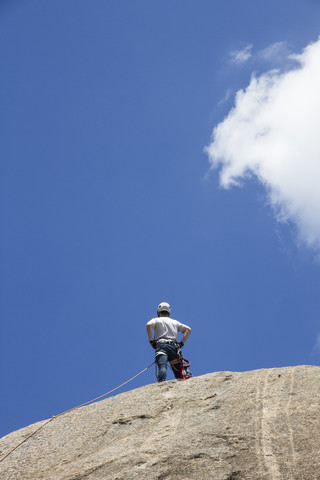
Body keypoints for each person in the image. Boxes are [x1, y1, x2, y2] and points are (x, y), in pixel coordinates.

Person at [146, 302, 191, 382]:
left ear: (158, 312)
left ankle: (160, 384)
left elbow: (148, 325)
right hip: (174, 347)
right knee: (179, 372)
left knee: (163, 367)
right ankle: (183, 383)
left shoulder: (156, 320)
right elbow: (188, 329)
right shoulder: (175, 322)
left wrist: (151, 340)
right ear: (169, 313)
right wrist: (181, 343)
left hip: (161, 346)